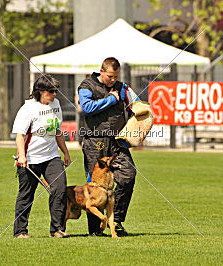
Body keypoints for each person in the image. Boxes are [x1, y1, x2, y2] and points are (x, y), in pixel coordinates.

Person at [78, 57, 140, 237]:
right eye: (110, 76)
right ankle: (96, 229)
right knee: (94, 185)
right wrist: (112, 99)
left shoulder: (123, 88)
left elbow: (137, 104)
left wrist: (142, 117)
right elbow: (87, 107)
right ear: (101, 71)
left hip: (117, 141)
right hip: (94, 142)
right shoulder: (86, 86)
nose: (113, 80)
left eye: (115, 76)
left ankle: (117, 221)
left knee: (128, 175)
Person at [12, 74, 71, 238]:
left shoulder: (56, 104)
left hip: (52, 157)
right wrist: (22, 156)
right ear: (40, 91)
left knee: (59, 189)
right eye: (51, 91)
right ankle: (20, 231)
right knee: (26, 195)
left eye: (56, 91)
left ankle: (57, 229)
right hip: (30, 158)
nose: (55, 94)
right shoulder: (28, 108)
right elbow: (19, 135)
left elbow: (57, 131)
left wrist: (65, 152)